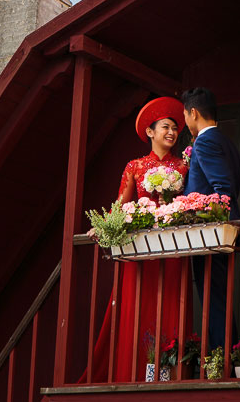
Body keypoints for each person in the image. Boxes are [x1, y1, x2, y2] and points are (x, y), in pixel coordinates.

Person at [86, 97, 189, 383]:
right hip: (140, 250)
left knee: (172, 307)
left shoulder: (183, 166)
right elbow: (121, 204)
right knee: (136, 310)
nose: (171, 133)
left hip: (171, 249)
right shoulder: (135, 166)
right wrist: (103, 225)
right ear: (150, 132)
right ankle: (132, 374)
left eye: (175, 129)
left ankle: (170, 374)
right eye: (166, 127)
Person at [181, 87, 240, 350]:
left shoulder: (204, 142)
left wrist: (194, 210)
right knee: (219, 297)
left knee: (213, 299)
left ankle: (221, 361)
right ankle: (231, 355)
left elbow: (223, 190)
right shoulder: (227, 142)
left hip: (211, 233)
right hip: (224, 232)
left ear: (193, 113)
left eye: (185, 115)